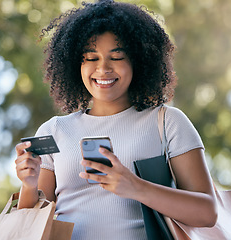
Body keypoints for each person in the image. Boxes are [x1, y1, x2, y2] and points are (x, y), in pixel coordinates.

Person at [15, 0, 218, 239]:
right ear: (75, 63)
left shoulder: (167, 122)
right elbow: (28, 226)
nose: (103, 69)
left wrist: (135, 187)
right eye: (91, 58)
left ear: (138, 60)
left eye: (117, 57)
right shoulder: (55, 130)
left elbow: (207, 213)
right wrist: (28, 185)